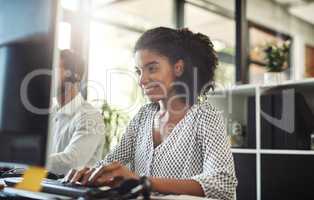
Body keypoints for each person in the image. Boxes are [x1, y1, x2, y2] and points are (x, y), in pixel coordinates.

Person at [65, 27, 237, 199]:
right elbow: (112, 162)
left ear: (178, 68)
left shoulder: (206, 117)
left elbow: (222, 184)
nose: (142, 80)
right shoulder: (143, 116)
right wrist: (90, 173)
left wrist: (142, 181)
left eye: (152, 69)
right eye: (139, 71)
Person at [47, 49, 105, 175]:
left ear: (75, 76)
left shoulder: (90, 116)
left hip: (70, 192)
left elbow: (72, 163)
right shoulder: (50, 114)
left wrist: (31, 160)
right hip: (43, 186)